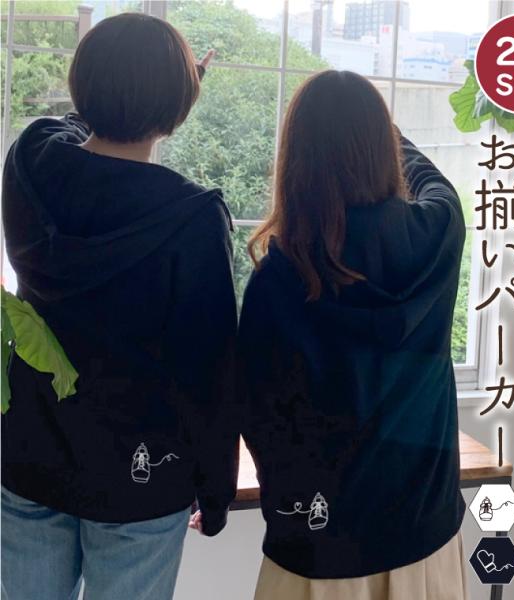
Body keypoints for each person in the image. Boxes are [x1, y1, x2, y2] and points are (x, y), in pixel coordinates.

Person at [1, 13, 238, 600]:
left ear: (81, 84)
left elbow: (70, 126)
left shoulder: (29, 160)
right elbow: (208, 370)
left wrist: (138, 91)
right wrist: (215, 490)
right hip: (141, 475)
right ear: (179, 106)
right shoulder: (193, 218)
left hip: (28, 454)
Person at [238, 70, 469, 600]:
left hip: (319, 547)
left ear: (297, 162)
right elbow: (437, 185)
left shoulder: (280, 278)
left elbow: (258, 411)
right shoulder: (436, 235)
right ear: (384, 150)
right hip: (424, 533)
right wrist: (390, 136)